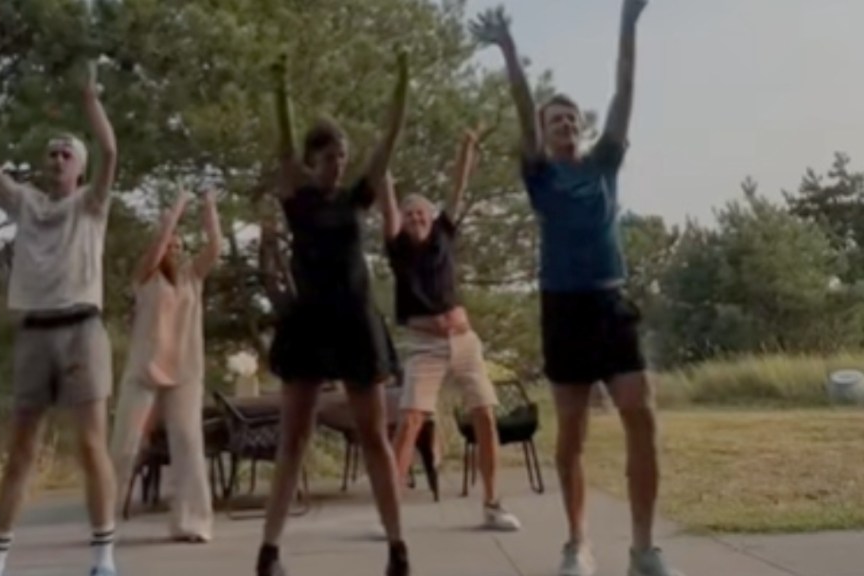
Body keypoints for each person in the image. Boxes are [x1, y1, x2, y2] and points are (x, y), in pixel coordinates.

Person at [473, 2, 682, 576]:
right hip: (561, 308)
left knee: (642, 412)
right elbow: (520, 105)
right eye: (554, 121)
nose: (564, 126)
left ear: (581, 129)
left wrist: (627, 21)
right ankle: (577, 543)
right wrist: (510, 50)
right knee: (572, 435)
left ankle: (643, 550)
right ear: (543, 135)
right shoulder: (541, 174)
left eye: (570, 120)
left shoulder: (604, 164)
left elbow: (624, 88)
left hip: (611, 302)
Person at [256, 50, 411, 576]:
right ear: (312, 159)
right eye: (328, 156)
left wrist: (403, 84)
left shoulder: (355, 199)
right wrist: (279, 91)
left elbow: (386, 144)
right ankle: (269, 551)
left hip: (353, 323)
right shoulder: (298, 198)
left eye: (342, 156)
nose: (338, 163)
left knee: (374, 437)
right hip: (308, 324)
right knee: (294, 438)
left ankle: (397, 548)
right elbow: (281, 146)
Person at [0, 60, 120, 576]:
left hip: (82, 331)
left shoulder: (91, 205)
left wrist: (90, 99)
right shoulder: (26, 202)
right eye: (51, 153)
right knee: (21, 451)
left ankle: (103, 560)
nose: (57, 158)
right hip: (33, 333)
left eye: (66, 153)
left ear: (78, 167)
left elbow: (112, 152)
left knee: (91, 444)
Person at [382, 129, 521, 532]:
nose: (415, 218)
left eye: (420, 212)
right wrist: (385, 171)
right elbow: (387, 203)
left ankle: (493, 504)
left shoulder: (444, 231)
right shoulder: (398, 249)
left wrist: (466, 148)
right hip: (425, 347)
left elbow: (458, 188)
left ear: (431, 216)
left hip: (463, 342)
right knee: (409, 421)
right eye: (409, 215)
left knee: (485, 415)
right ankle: (390, 511)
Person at [110, 186, 223, 542]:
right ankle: (104, 518)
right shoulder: (145, 276)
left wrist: (208, 206)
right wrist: (178, 205)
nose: (173, 250)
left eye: (179, 246)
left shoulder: (193, 278)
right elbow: (158, 243)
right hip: (144, 371)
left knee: (188, 443)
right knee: (124, 445)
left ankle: (192, 523)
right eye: (169, 246)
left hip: (185, 372)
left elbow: (215, 246)